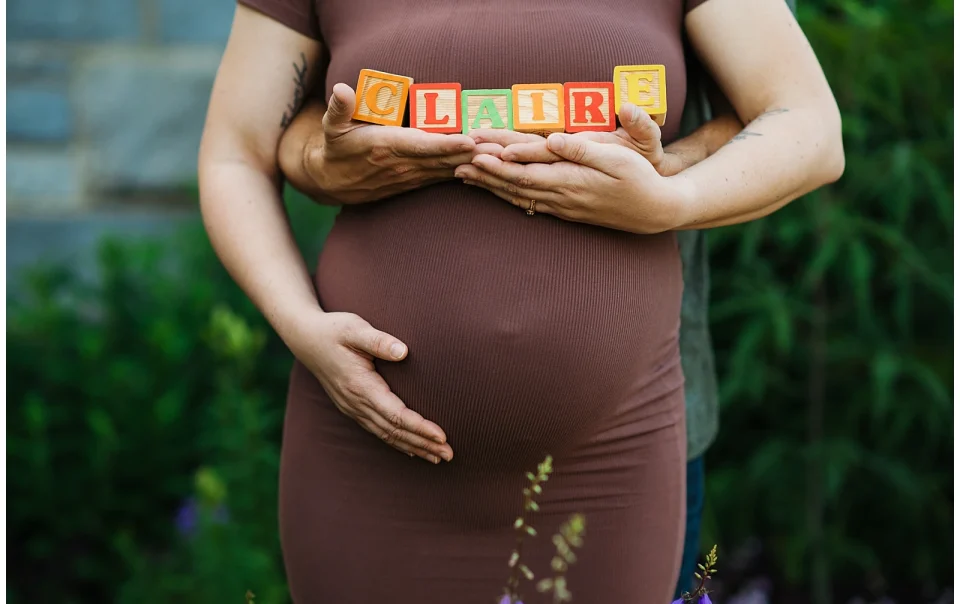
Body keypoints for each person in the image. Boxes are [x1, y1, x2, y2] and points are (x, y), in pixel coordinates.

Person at [197, 0, 844, 602]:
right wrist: (300, 324)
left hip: (613, 456)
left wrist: (669, 201)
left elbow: (808, 125)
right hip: (363, 454)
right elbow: (236, 154)